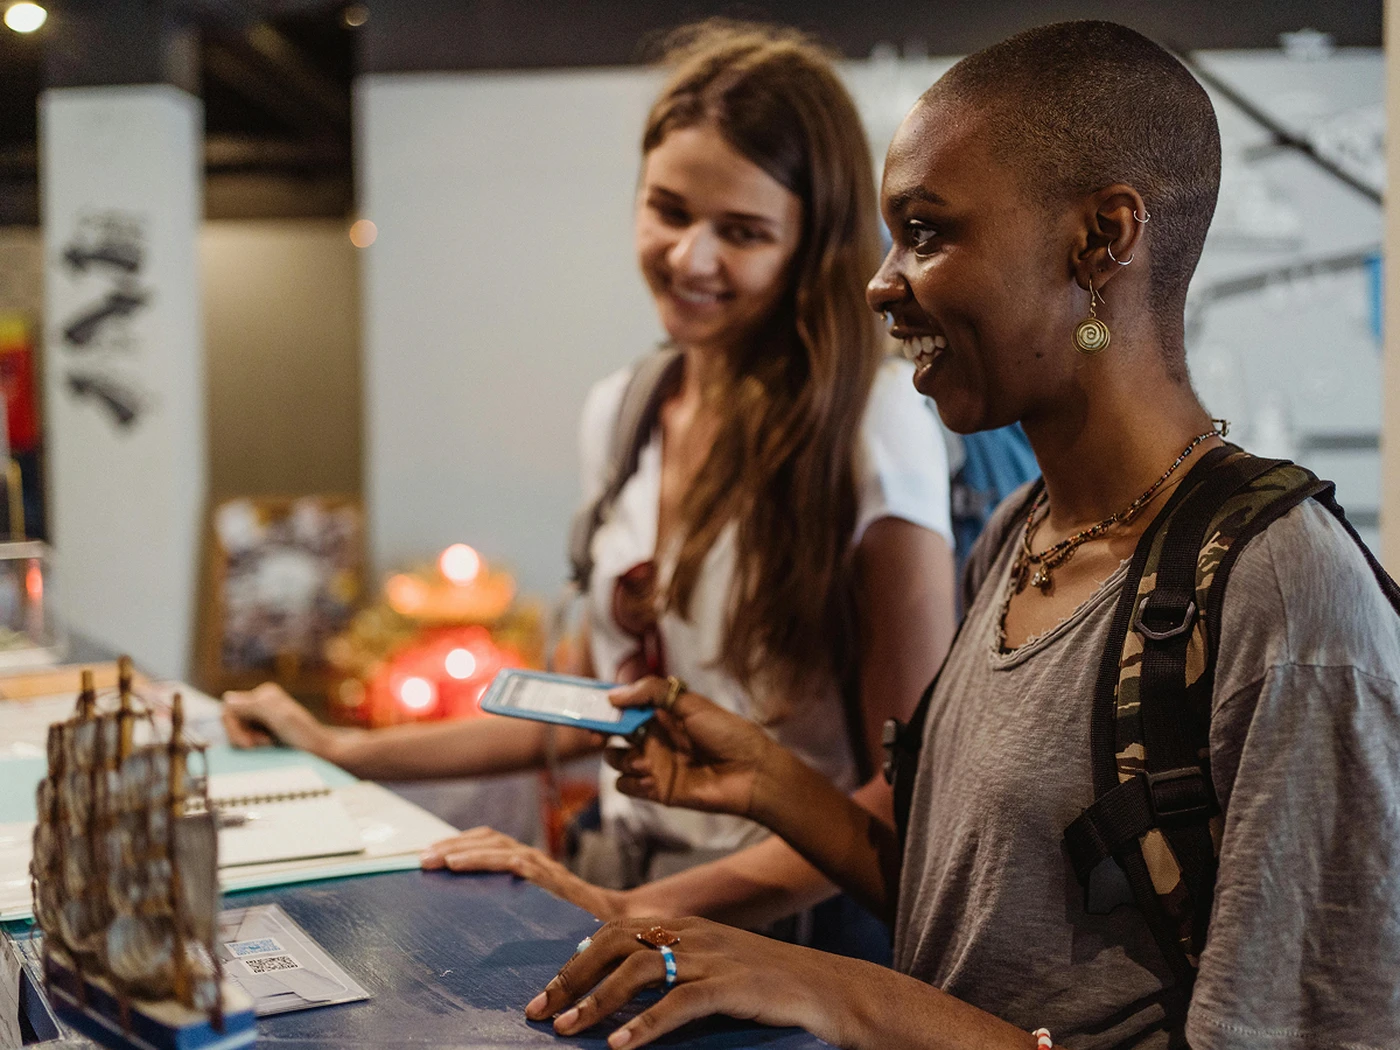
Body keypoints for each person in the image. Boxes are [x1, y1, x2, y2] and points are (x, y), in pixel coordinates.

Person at [520, 21, 1400, 1050]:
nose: (881, 283)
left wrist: (837, 990)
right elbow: (964, 912)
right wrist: (769, 782)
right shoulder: (1023, 537)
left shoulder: (1282, 594)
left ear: (1100, 239)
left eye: (928, 234)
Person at [223, 21, 956, 899]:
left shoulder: (875, 423)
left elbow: (906, 788)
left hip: (793, 925)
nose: (690, 258)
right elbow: (582, 701)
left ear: (813, 244)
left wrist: (634, 912)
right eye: (670, 211)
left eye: (743, 231)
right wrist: (342, 747)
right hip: (623, 874)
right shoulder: (628, 408)